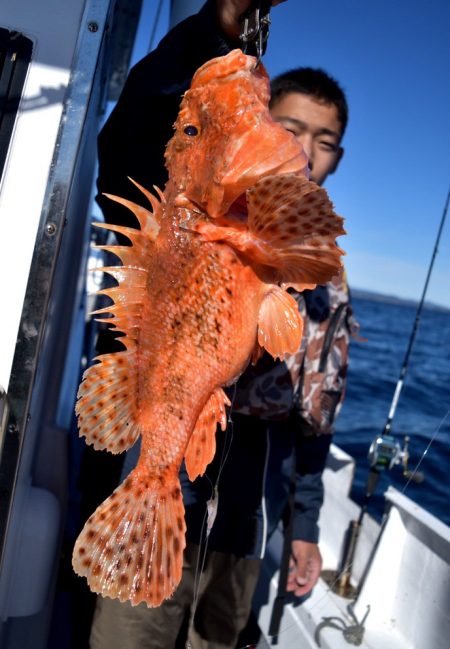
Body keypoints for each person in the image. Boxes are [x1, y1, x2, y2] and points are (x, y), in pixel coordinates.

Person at [86, 1, 355, 647]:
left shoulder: (325, 278)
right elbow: (130, 140)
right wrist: (220, 30)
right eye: (287, 127)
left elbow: (316, 419)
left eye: (324, 140)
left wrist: (305, 527)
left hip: (246, 516)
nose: (303, 148)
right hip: (164, 467)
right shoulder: (185, 204)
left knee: (222, 636)